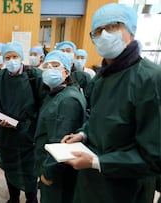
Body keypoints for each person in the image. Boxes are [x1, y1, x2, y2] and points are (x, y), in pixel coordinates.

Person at [60, 3, 161, 203]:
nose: (105, 34)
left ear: (131, 30)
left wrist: (98, 161)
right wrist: (82, 134)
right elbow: (99, 119)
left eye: (113, 26)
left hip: (126, 188)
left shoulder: (150, 78)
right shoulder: (101, 77)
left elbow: (154, 156)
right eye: (98, 30)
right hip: (91, 182)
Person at [0, 41, 44, 203]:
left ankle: (31, 198)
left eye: (15, 56)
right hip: (6, 133)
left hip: (29, 133)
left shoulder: (35, 76)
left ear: (21, 57)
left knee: (29, 169)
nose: (11, 60)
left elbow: (43, 104)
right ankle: (13, 197)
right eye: (8, 57)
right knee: (9, 165)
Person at [34, 50, 86, 203]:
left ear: (66, 71)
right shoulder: (56, 95)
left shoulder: (67, 100)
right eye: (46, 66)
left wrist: (49, 172)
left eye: (55, 66)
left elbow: (61, 143)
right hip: (50, 163)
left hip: (57, 172)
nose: (50, 70)